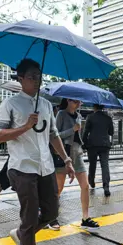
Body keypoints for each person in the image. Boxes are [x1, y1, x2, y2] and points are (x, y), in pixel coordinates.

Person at [0, 59, 75, 245]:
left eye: (39, 76)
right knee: (30, 218)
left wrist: (67, 159)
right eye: (32, 77)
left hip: (46, 167)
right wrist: (25, 126)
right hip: (22, 167)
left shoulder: (46, 105)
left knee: (52, 213)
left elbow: (53, 135)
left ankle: (21, 234)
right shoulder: (10, 104)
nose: (37, 80)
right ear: (21, 79)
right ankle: (26, 235)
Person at [46, 98, 100, 231]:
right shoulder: (61, 114)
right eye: (75, 101)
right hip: (63, 154)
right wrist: (73, 129)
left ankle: (85, 218)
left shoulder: (79, 116)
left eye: (80, 102)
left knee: (85, 186)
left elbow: (77, 137)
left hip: (77, 153)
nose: (78, 104)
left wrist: (79, 135)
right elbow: (55, 135)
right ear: (68, 101)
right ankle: (50, 217)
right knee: (58, 188)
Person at [82, 104, 114, 197]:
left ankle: (91, 181)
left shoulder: (90, 117)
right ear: (103, 107)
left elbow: (85, 132)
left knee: (92, 164)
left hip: (92, 145)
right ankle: (106, 187)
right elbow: (111, 132)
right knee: (105, 165)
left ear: (94, 107)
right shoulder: (108, 118)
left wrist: (84, 143)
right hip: (105, 145)